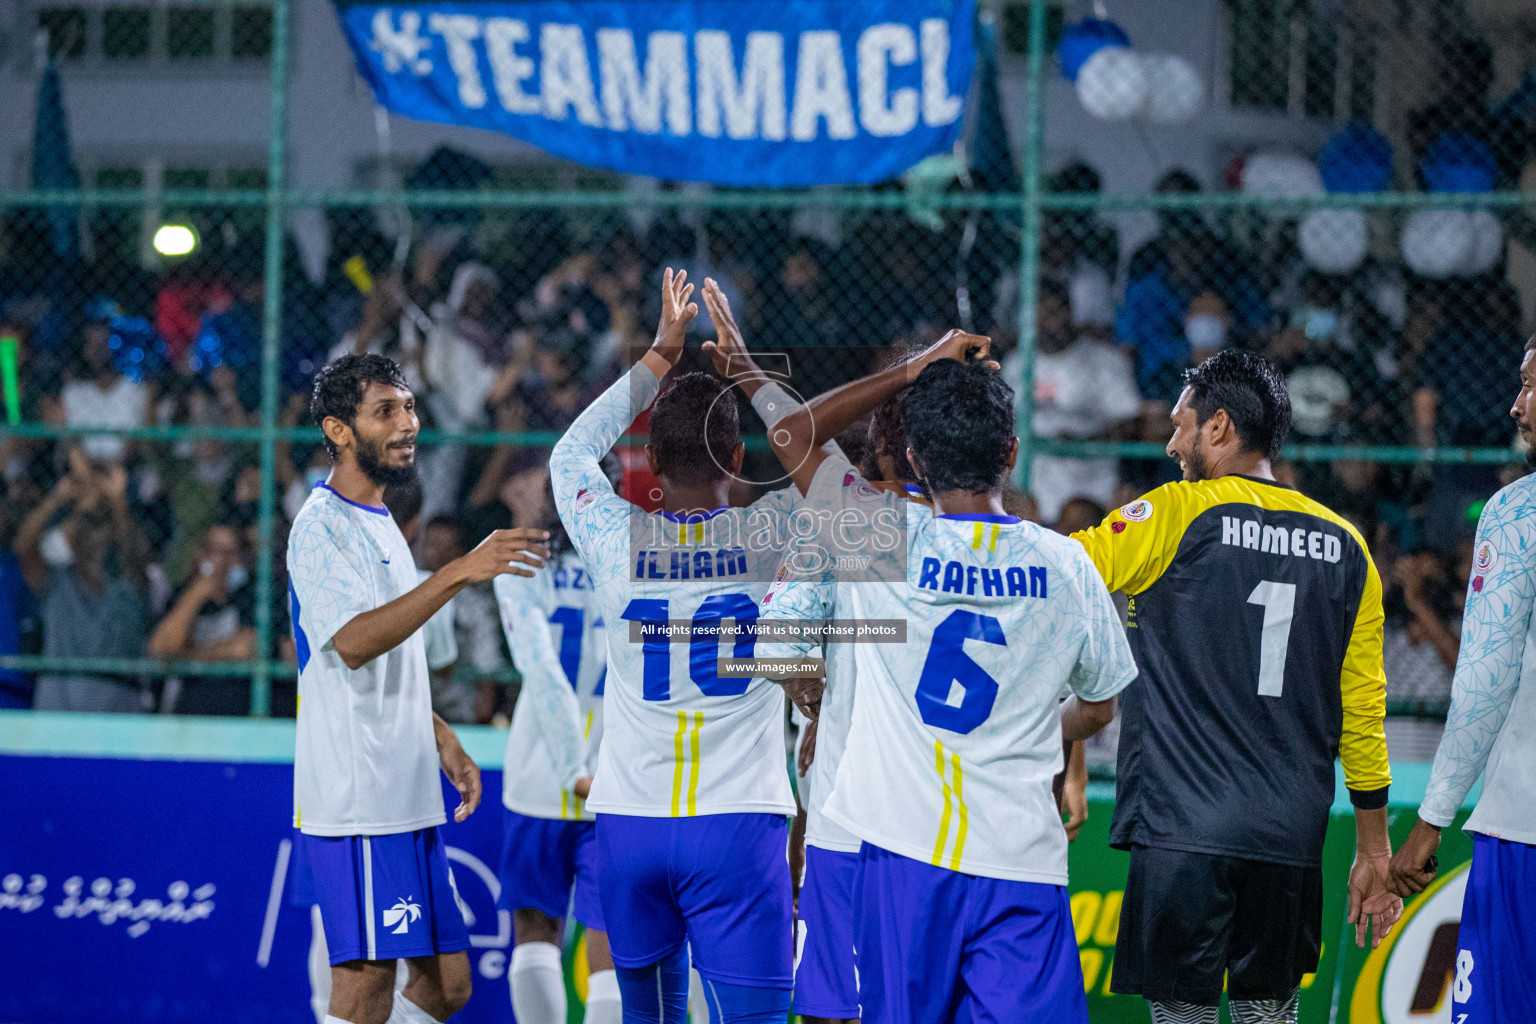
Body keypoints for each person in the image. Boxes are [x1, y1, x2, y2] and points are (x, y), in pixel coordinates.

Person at [759, 333, 1134, 1024]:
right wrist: (1032, 729)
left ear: (911, 459)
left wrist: (910, 367)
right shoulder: (1067, 564)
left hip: (902, 857)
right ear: (1013, 455)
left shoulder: (878, 535)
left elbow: (789, 429)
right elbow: (1101, 707)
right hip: (1020, 860)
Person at [1071, 351, 1401, 1024]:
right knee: (1269, 1015)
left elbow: (1056, 572)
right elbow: (1363, 716)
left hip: (1183, 827)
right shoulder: (1348, 547)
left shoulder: (1172, 514)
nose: (1169, 443)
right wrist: (1373, 851)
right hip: (1288, 836)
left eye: (1180, 424)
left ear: (1218, 427)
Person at [547, 270, 819, 1022]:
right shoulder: (776, 528)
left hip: (630, 825)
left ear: (653, 469)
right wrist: (749, 372)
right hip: (738, 821)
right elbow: (825, 469)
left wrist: (660, 356)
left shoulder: (616, 538)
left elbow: (569, 461)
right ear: (737, 457)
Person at [287, 353, 549, 1024]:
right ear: (339, 431)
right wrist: (459, 571)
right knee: (364, 991)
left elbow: (391, 657)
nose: (408, 424)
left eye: (408, 407)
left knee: (447, 985)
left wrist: (437, 736)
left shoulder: (379, 522)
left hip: (406, 792)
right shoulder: (320, 527)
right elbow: (351, 642)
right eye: (386, 411)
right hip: (358, 798)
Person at [1387, 336, 1536, 1023]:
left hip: (1525, 830)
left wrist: (1431, 817)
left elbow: (1485, 676)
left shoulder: (1518, 513)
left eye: (1533, 388)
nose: (1517, 407)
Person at [493, 462, 621, 1024]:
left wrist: (570, 764)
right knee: (610, 938)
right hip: (613, 775)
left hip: (541, 774)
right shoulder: (632, 568)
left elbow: (541, 668)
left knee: (535, 932)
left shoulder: (520, 566)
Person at [15, 452, 149, 713]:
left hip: (117, 700)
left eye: (101, 523)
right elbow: (24, 546)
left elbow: (133, 556)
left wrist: (117, 502)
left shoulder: (127, 586)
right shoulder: (55, 581)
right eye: (85, 524)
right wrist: (60, 499)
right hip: (58, 696)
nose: (93, 533)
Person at [1006, 278, 1140, 522]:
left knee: (1077, 514)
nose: (1049, 321)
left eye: (1055, 312)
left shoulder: (1104, 361)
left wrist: (1083, 442)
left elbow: (1131, 421)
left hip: (1088, 487)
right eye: (1041, 313)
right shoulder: (1015, 364)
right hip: (1031, 485)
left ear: (1070, 312)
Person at [148, 522, 256, 715]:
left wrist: (185, 658)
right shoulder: (183, 595)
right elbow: (162, 648)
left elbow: (245, 648)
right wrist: (199, 592)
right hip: (183, 715)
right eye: (216, 552)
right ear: (201, 555)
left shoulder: (251, 597)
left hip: (236, 713)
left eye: (231, 553)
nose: (223, 562)